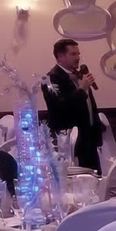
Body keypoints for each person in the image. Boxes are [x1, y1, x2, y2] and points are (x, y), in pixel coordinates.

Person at [43, 38, 104, 174]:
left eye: (78, 54)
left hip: (88, 135)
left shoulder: (79, 75)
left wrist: (97, 130)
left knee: (94, 175)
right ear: (60, 56)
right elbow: (59, 106)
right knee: (79, 178)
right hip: (69, 139)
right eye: (73, 54)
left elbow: (89, 105)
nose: (78, 57)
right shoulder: (51, 79)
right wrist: (81, 89)